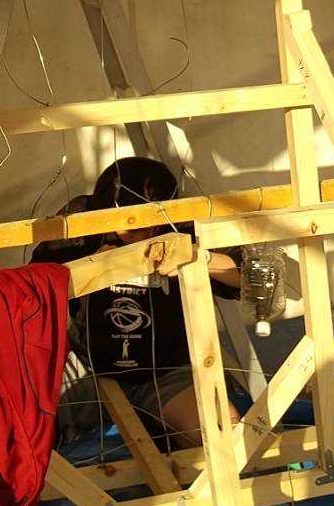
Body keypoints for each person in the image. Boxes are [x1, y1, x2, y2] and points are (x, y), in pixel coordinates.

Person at [49, 156, 243, 449]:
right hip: (87, 365)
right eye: (133, 227)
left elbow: (249, 275)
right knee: (20, 420)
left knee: (225, 440)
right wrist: (91, 265)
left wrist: (197, 257)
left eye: (153, 226)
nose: (148, 234)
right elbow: (35, 284)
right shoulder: (84, 218)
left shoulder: (182, 222)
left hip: (168, 371)